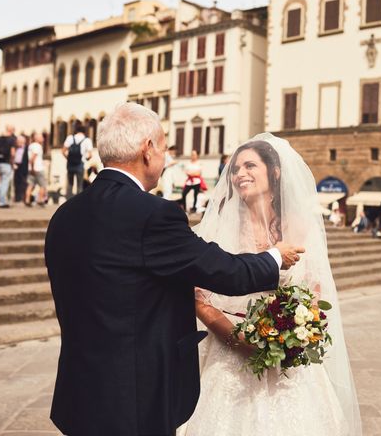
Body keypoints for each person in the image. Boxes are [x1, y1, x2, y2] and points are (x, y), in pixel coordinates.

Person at [44, 103, 305, 436]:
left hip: (78, 393)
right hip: (134, 397)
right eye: (165, 148)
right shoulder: (152, 214)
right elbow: (224, 271)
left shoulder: (64, 216)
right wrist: (274, 256)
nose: (166, 159)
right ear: (148, 150)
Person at [184, 134, 361, 435]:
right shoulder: (215, 229)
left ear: (275, 172)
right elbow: (198, 297)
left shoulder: (300, 226)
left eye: (250, 165)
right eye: (236, 168)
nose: (240, 173)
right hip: (229, 354)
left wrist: (293, 333)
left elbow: (314, 292)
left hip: (288, 358)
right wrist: (237, 339)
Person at [62, 121, 93, 199]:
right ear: (84, 131)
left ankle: (68, 201)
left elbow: (63, 151)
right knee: (80, 184)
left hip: (70, 164)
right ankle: (79, 202)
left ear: (76, 131)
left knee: (70, 184)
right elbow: (90, 155)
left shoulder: (70, 138)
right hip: (80, 164)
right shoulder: (87, 140)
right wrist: (86, 158)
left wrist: (69, 158)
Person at [0, 124, 16, 208]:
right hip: (6, 163)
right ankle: (2, 202)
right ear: (11, 130)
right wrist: (12, 163)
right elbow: (12, 153)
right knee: (5, 182)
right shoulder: (11, 139)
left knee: (1, 181)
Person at [25, 133, 47, 206]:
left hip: (31, 168)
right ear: (36, 138)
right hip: (38, 168)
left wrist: (30, 168)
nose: (43, 139)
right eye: (41, 137)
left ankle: (27, 200)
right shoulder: (37, 146)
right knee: (43, 185)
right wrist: (33, 167)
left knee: (30, 184)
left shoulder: (31, 146)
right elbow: (32, 159)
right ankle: (40, 200)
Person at [12, 135, 29, 205]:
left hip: (23, 167)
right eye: (18, 141)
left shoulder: (27, 148)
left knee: (23, 182)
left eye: (20, 141)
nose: (18, 143)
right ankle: (17, 198)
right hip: (16, 165)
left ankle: (22, 197)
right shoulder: (15, 148)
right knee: (16, 182)